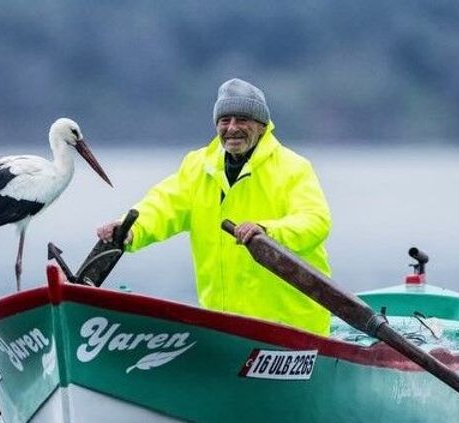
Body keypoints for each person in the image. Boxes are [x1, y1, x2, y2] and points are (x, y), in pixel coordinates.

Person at [97, 78, 333, 335]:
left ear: (262, 126)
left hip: (294, 329)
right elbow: (162, 205)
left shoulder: (293, 168)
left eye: (242, 120)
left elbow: (315, 221)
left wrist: (267, 232)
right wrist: (130, 229)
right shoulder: (197, 166)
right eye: (225, 120)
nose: (232, 128)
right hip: (224, 328)